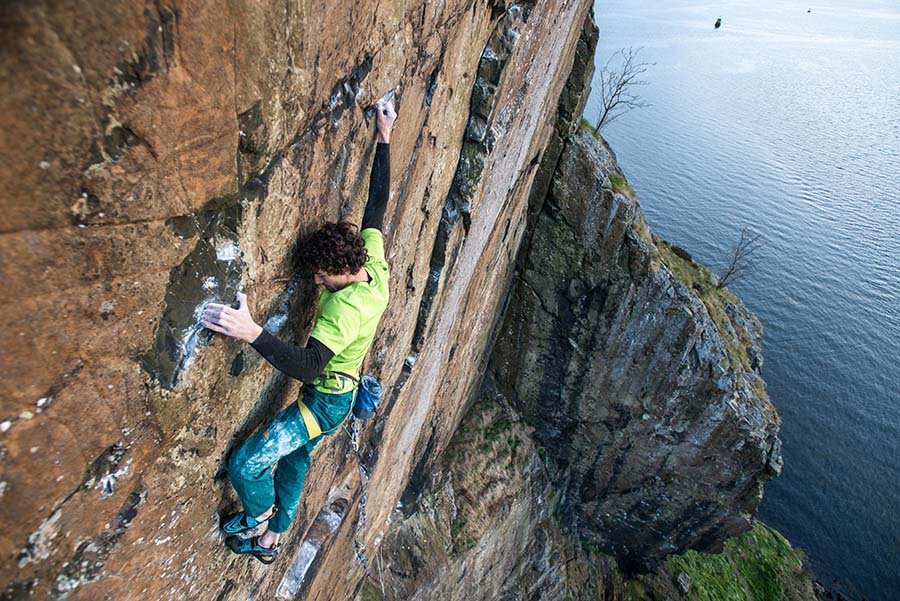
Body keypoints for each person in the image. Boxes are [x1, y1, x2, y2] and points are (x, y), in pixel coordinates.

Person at [201, 98, 396, 564]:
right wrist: (384, 137)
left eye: (319, 276)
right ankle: (273, 543)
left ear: (338, 270)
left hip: (326, 400)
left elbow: (308, 364)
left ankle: (258, 522)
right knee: (295, 459)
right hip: (338, 394)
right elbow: (376, 206)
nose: (315, 282)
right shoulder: (373, 263)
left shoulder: (344, 311)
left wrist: (252, 332)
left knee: (248, 463)